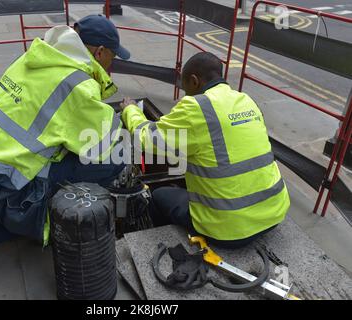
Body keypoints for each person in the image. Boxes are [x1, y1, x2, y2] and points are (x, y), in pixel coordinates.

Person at [0, 15, 129, 276]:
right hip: (5, 185)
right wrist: (129, 118)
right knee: (114, 160)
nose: (112, 64)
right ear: (100, 52)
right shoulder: (78, 84)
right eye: (113, 56)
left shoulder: (35, 56)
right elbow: (101, 144)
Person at [120, 52, 290, 249]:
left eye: (185, 89)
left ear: (193, 81)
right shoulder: (246, 100)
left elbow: (146, 140)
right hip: (274, 212)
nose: (185, 96)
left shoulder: (197, 107)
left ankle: (162, 248)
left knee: (159, 195)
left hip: (229, 230)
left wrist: (130, 110)